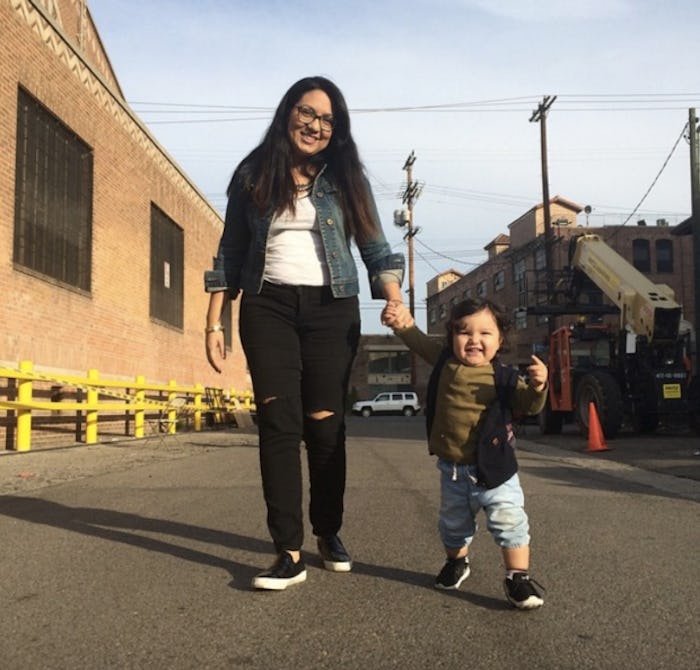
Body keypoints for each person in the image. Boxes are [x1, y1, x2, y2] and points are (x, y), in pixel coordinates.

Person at [203, 76, 405, 590]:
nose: (315, 125)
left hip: (331, 308)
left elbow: (376, 246)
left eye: (326, 119)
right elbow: (229, 251)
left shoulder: (344, 178)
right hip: (266, 303)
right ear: (287, 113)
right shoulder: (252, 174)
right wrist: (215, 320)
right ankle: (287, 551)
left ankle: (328, 531)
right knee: (277, 421)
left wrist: (395, 299)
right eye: (306, 112)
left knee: (323, 424)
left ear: (336, 130)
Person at [383, 297, 548, 609]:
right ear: (451, 338)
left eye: (485, 333)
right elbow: (417, 341)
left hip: (497, 471)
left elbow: (528, 405)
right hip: (454, 470)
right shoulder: (446, 361)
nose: (474, 340)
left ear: (500, 340)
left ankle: (518, 578)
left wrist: (539, 387)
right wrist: (400, 321)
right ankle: (457, 562)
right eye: (463, 332)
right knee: (453, 525)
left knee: (509, 520)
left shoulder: (505, 377)